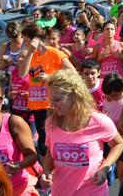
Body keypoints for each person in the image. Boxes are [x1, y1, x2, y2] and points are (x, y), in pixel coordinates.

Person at [40, 69, 123, 195]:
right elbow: (49, 152)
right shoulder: (51, 123)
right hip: (61, 191)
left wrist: (104, 167)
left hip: (92, 191)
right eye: (51, 100)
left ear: (74, 96)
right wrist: (46, 171)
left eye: (57, 100)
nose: (52, 104)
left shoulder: (99, 120)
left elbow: (119, 144)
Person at [18, 24, 75, 157]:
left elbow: (73, 73)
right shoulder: (31, 54)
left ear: (35, 39)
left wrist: (51, 77)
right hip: (37, 105)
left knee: (55, 141)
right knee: (44, 144)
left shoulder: (55, 53)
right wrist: (30, 52)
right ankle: (47, 173)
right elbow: (22, 74)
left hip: (53, 105)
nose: (24, 44)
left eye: (25, 41)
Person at [0, 79, 38, 196]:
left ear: (3, 99)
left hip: (17, 190)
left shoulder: (14, 122)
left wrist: (18, 165)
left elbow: (32, 156)